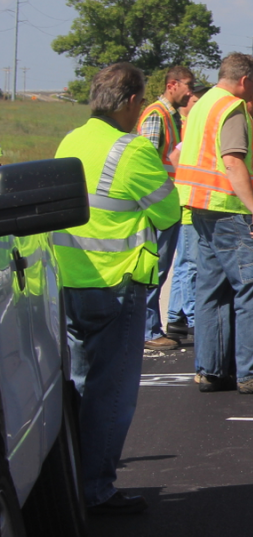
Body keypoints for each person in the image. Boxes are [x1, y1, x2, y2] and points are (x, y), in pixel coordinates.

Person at [53, 63, 181, 514]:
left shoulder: (71, 141)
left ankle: (74, 482)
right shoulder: (132, 150)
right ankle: (97, 492)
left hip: (71, 281)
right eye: (141, 101)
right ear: (129, 102)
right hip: (118, 284)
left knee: (82, 385)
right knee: (112, 396)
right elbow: (168, 214)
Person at [175, 54, 253, 394]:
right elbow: (233, 161)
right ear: (244, 81)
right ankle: (251, 371)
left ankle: (211, 369)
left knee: (212, 290)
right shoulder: (232, 109)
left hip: (202, 206)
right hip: (230, 209)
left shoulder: (204, 103)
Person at [136, 65, 194, 350]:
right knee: (153, 270)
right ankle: (148, 330)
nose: (191, 91)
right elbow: (146, 165)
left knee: (159, 270)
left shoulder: (169, 117)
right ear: (172, 85)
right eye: (188, 85)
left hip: (167, 204)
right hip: (157, 209)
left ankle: (152, 327)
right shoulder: (157, 116)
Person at [166, 82, 209, 339]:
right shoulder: (196, 131)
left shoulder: (191, 127)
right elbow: (173, 158)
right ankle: (193, 319)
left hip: (188, 202)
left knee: (184, 264)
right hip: (191, 204)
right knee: (191, 265)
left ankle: (175, 315)